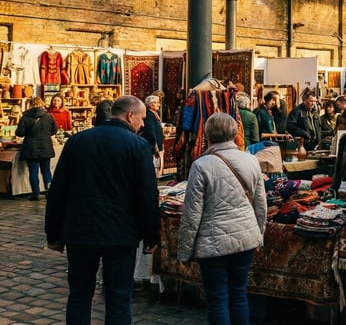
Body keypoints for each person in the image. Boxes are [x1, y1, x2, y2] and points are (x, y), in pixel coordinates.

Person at [45, 95, 160, 325]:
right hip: (120, 233)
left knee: (79, 294)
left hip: (81, 229)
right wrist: (151, 235)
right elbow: (147, 196)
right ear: (130, 115)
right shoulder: (137, 146)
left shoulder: (78, 141)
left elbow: (58, 190)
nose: (144, 124)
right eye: (142, 118)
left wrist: (54, 232)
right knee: (118, 297)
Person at [178, 112, 267, 325]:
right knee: (238, 295)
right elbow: (261, 204)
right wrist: (259, 235)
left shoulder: (202, 165)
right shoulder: (251, 160)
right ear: (234, 133)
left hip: (213, 241)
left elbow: (192, 213)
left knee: (217, 299)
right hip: (245, 238)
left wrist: (185, 251)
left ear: (208, 134)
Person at [16, 97, 57, 200]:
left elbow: (20, 133)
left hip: (31, 148)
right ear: (41, 104)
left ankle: (36, 194)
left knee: (33, 172)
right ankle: (49, 192)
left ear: (30, 104)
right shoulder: (49, 116)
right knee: (46, 171)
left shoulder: (25, 117)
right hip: (46, 146)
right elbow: (54, 130)